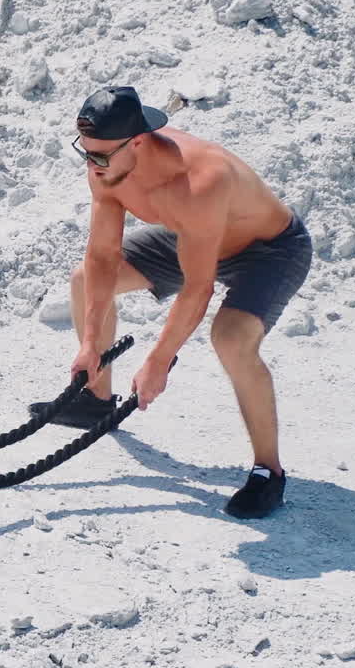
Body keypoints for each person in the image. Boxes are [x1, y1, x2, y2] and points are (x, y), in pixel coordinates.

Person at [31, 84, 313, 518]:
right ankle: (96, 398)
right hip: (191, 235)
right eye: (84, 152)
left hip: (267, 250)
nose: (91, 165)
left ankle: (268, 473)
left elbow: (197, 288)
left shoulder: (200, 180)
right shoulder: (106, 166)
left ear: (139, 142)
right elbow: (103, 256)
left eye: (101, 155)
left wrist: (159, 359)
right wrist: (89, 345)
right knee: (85, 280)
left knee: (232, 339)